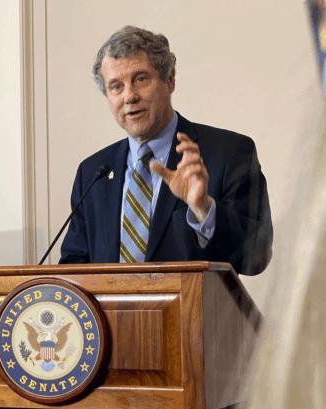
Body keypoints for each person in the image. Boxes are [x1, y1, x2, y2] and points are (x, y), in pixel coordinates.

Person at [59, 26, 273, 277]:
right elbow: (73, 268)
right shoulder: (92, 172)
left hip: (195, 316)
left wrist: (203, 208)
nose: (129, 96)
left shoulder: (229, 154)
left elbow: (256, 258)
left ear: (169, 80)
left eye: (141, 79)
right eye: (116, 86)